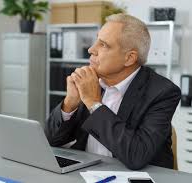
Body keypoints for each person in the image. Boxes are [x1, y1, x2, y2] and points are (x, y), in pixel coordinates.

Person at [44, 14, 181, 170]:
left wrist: (94, 103)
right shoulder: (91, 80)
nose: (91, 49)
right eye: (96, 40)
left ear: (129, 58)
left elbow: (137, 155)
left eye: (103, 45)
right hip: (85, 173)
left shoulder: (163, 92)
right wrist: (70, 104)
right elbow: (49, 141)